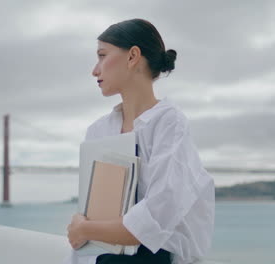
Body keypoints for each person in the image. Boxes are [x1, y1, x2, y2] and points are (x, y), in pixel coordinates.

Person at [64, 18, 215, 264]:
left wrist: (86, 230)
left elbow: (156, 215)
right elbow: (90, 217)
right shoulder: (98, 130)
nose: (95, 69)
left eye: (103, 55)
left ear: (133, 56)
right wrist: (85, 229)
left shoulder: (169, 123)